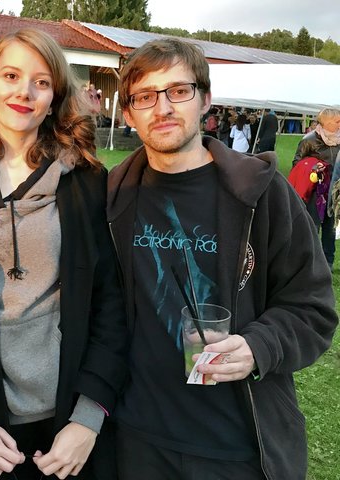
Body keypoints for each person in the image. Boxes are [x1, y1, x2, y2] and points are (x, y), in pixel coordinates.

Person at [107, 38, 337, 480]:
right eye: (145, 96)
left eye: (179, 90)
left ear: (206, 100)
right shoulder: (114, 196)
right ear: (129, 114)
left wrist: (258, 347)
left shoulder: (262, 195)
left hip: (236, 445)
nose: (163, 107)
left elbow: (313, 308)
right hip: (137, 441)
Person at [0, 28, 128, 480]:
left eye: (41, 82)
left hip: (68, 426)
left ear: (53, 98)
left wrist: (89, 417)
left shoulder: (87, 184)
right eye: (11, 76)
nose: (24, 92)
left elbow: (111, 305)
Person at [292, 107, 340, 269]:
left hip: (334, 191)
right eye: (337, 121)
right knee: (312, 226)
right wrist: (313, 169)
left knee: (330, 228)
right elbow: (297, 163)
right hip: (315, 193)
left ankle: (327, 262)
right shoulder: (309, 140)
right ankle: (309, 262)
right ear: (326, 122)